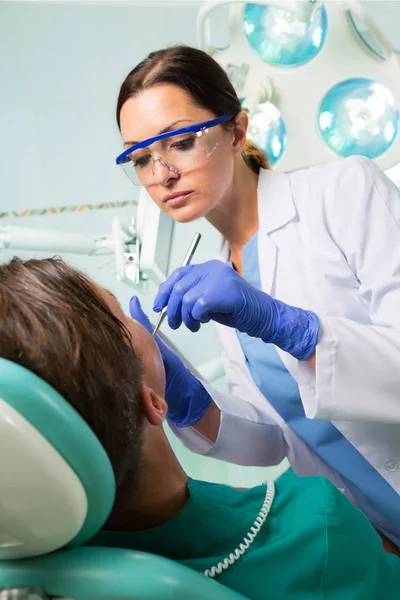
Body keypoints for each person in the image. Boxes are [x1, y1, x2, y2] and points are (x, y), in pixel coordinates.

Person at [115, 45, 400, 549]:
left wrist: (289, 326)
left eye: (180, 142)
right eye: (141, 158)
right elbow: (275, 438)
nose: (162, 174)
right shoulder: (217, 270)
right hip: (377, 538)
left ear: (237, 130)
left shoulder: (344, 192)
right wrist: (191, 400)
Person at [0, 255, 399, 599]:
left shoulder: (31, 576)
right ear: (153, 400)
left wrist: (201, 409)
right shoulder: (317, 528)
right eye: (122, 315)